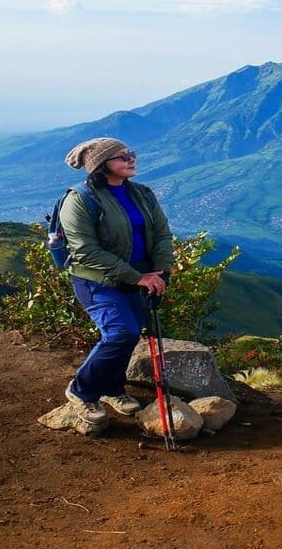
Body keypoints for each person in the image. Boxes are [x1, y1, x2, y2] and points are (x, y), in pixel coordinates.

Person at [59, 137, 173, 427]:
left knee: (130, 335)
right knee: (120, 333)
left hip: (139, 278)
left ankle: (112, 388)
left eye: (130, 153)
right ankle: (82, 390)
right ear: (100, 164)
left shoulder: (141, 193)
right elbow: (86, 251)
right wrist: (138, 277)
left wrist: (160, 272)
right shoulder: (80, 199)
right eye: (121, 156)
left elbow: (162, 234)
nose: (131, 159)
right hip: (97, 281)